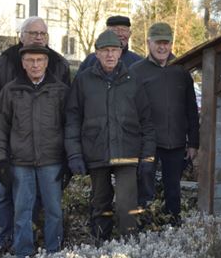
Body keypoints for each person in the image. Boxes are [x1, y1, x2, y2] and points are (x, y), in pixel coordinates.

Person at [0, 16, 70, 251]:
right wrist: (1, 159)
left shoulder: (60, 91)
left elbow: (70, 126)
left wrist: (69, 159)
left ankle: (54, 253)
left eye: (39, 60)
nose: (35, 64)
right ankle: (22, 253)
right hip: (20, 161)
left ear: (46, 62)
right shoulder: (9, 91)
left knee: (53, 210)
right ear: (22, 62)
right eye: (30, 60)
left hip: (51, 161)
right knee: (21, 209)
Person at [65, 30, 155, 241]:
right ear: (96, 54)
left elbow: (147, 122)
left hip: (127, 153)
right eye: (105, 51)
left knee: (126, 206)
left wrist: (148, 156)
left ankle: (128, 247)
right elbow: (72, 120)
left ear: (121, 52)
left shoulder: (133, 80)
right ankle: (100, 245)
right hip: (97, 152)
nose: (110, 55)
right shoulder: (84, 80)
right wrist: (74, 155)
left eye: (114, 50)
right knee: (100, 204)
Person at [130, 22, 199, 226]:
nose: (162, 47)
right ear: (148, 43)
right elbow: (130, 109)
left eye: (166, 43)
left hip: (176, 142)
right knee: (145, 187)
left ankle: (173, 228)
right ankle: (144, 227)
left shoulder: (181, 69)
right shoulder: (136, 71)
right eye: (158, 43)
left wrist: (193, 142)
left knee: (173, 190)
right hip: (148, 142)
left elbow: (191, 108)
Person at [77, 15, 142, 73]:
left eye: (123, 30)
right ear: (106, 32)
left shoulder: (137, 62)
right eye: (115, 30)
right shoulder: (91, 60)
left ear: (130, 33)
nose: (120, 34)